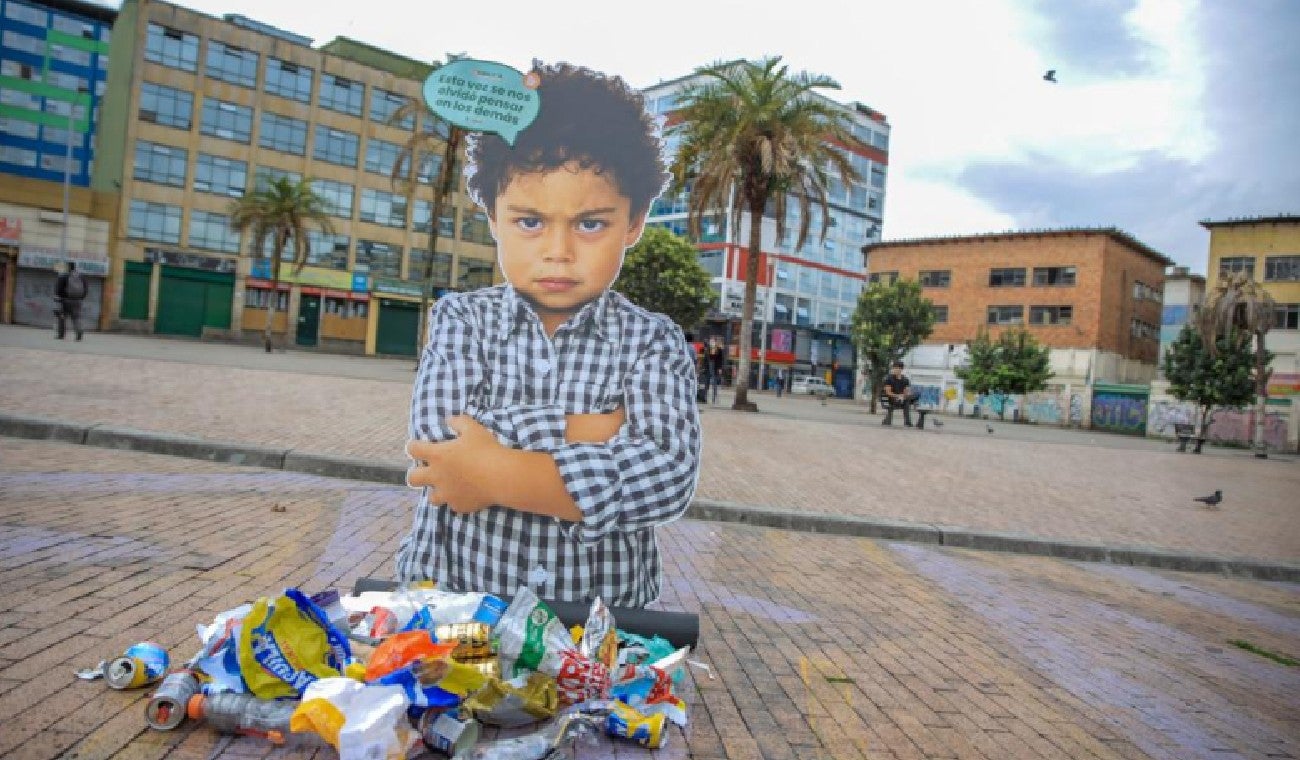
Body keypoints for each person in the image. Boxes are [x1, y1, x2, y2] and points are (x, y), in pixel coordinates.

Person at [399, 62, 701, 608]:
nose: (558, 252)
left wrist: (493, 469)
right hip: (458, 609)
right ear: (494, 217)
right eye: (530, 222)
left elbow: (666, 475)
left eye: (590, 224)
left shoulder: (654, 341)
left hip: (599, 623)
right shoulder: (461, 319)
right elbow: (439, 445)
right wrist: (590, 430)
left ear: (634, 222)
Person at [54, 261, 87, 340]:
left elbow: (59, 289)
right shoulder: (81, 277)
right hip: (77, 301)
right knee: (76, 317)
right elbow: (85, 289)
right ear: (74, 267)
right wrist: (81, 298)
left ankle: (61, 334)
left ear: (67, 267)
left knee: (62, 317)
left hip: (65, 300)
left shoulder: (64, 276)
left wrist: (59, 297)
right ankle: (79, 331)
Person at [881, 360, 914, 426]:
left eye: (898, 368)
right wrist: (897, 396)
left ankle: (907, 422)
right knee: (906, 401)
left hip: (901, 399)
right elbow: (888, 392)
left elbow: (906, 391)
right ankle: (907, 422)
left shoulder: (905, 380)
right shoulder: (889, 379)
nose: (896, 370)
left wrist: (904, 395)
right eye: (895, 368)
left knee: (908, 399)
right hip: (890, 399)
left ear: (901, 369)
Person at [705, 336, 725, 404]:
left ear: (715, 342)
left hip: (715, 367)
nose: (712, 342)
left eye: (713, 341)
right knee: (707, 383)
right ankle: (705, 397)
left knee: (714, 382)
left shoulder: (719, 349)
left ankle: (714, 398)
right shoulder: (708, 349)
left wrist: (720, 368)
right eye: (711, 341)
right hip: (708, 368)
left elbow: (720, 359)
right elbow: (706, 359)